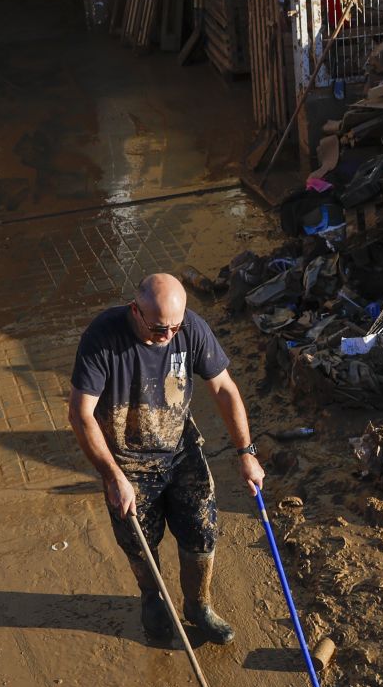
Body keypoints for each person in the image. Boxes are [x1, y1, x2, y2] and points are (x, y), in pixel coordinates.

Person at [68, 274, 265, 647]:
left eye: (176, 326)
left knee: (202, 529)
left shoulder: (188, 327)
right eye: (160, 329)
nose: (170, 336)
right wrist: (112, 476)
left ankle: (198, 605)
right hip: (127, 459)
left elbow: (224, 388)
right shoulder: (102, 338)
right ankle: (154, 599)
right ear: (135, 311)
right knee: (140, 542)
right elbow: (81, 414)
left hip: (179, 445)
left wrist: (246, 452)